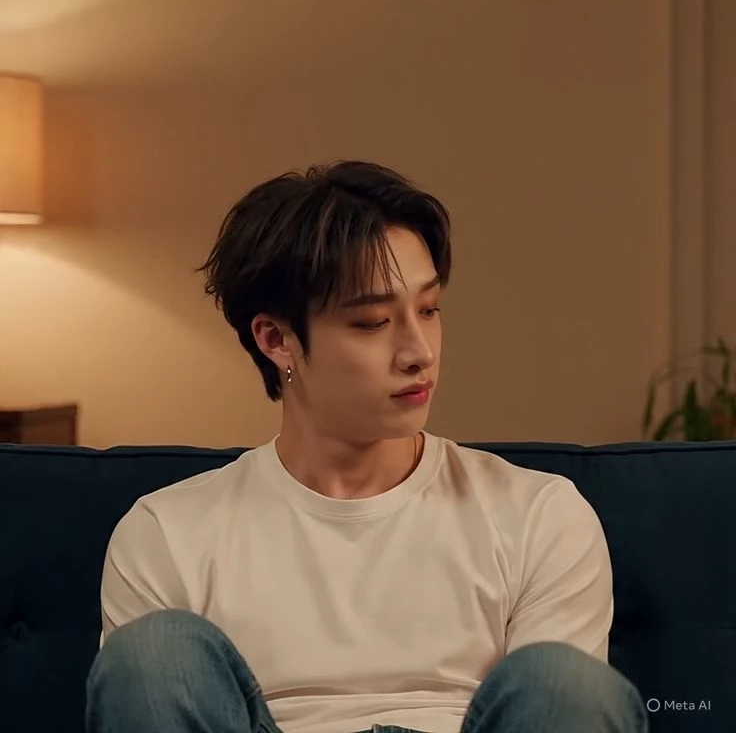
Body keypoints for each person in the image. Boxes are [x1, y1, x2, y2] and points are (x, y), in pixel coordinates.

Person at [85, 161, 648, 733]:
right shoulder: (168, 534)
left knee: (564, 680)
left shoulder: (538, 515)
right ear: (276, 339)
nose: (419, 352)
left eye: (428, 310)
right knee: (151, 654)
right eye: (373, 322)